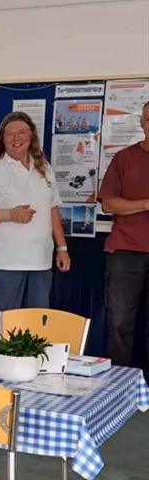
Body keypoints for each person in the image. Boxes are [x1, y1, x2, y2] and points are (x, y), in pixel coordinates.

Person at [0, 111, 71, 351]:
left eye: (22, 132)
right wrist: (9, 214)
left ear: (31, 136)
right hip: (6, 262)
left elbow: (52, 209)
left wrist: (62, 247)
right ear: (2, 140)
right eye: (10, 134)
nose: (16, 138)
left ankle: (36, 371)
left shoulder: (43, 167)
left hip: (40, 260)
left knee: (39, 322)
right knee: (3, 323)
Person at [99, 100, 149, 380]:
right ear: (141, 123)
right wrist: (144, 205)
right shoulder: (124, 158)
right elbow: (108, 204)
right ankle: (118, 385)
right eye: (148, 119)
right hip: (125, 251)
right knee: (119, 322)